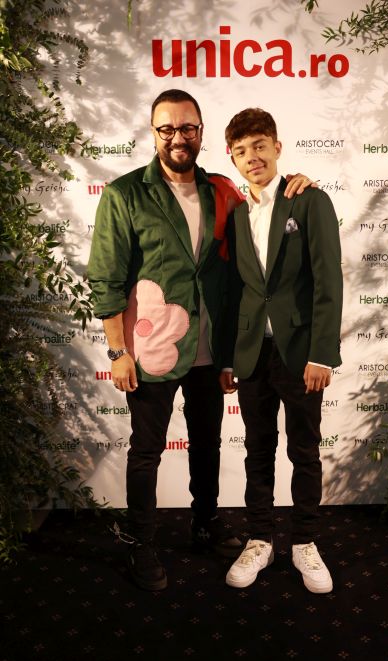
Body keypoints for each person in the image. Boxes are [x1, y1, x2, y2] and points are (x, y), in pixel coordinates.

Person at [87, 89, 314, 592]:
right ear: (153, 133)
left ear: (201, 132)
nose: (178, 137)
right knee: (146, 451)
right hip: (150, 349)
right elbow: (106, 279)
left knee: (207, 442)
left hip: (210, 347)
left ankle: (206, 522)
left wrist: (299, 185)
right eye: (166, 128)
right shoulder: (125, 194)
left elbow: (265, 207)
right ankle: (141, 542)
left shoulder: (221, 191)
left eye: (187, 128)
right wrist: (118, 351)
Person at [220, 108, 343, 593]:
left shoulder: (309, 201)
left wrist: (322, 354)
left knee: (304, 450)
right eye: (241, 151)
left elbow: (328, 280)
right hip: (252, 352)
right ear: (232, 158)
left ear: (276, 147)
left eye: (259, 146)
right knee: (257, 450)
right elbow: (236, 290)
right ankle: (260, 539)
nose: (252, 157)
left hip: (300, 353)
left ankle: (305, 542)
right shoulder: (234, 214)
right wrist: (228, 356)